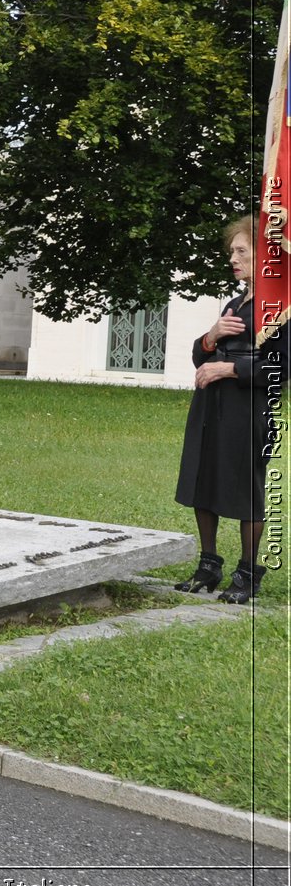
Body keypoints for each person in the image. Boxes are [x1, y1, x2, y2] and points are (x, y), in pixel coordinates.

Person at [174, 216, 285, 604]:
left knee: (244, 490)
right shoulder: (236, 303)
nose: (233, 259)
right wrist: (211, 337)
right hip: (212, 406)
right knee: (204, 482)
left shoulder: (280, 305)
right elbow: (199, 355)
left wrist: (229, 368)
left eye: (241, 252)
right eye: (232, 252)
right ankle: (209, 566)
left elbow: (282, 365)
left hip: (250, 409)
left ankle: (247, 574)